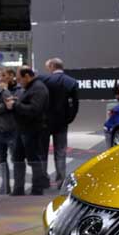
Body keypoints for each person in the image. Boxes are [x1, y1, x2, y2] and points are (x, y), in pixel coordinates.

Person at [6, 66, 50, 195]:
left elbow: (34, 110)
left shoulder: (38, 88)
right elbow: (27, 104)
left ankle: (37, 189)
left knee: (34, 160)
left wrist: (15, 104)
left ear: (27, 76)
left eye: (19, 79)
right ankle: (18, 189)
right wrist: (16, 102)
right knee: (18, 159)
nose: (18, 82)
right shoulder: (30, 87)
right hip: (22, 129)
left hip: (33, 130)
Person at [40, 57, 79, 188]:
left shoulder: (43, 80)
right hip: (62, 122)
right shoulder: (71, 82)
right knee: (61, 152)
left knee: (42, 152)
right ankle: (61, 181)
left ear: (52, 66)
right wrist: (69, 118)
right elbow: (75, 104)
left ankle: (43, 180)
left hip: (44, 122)